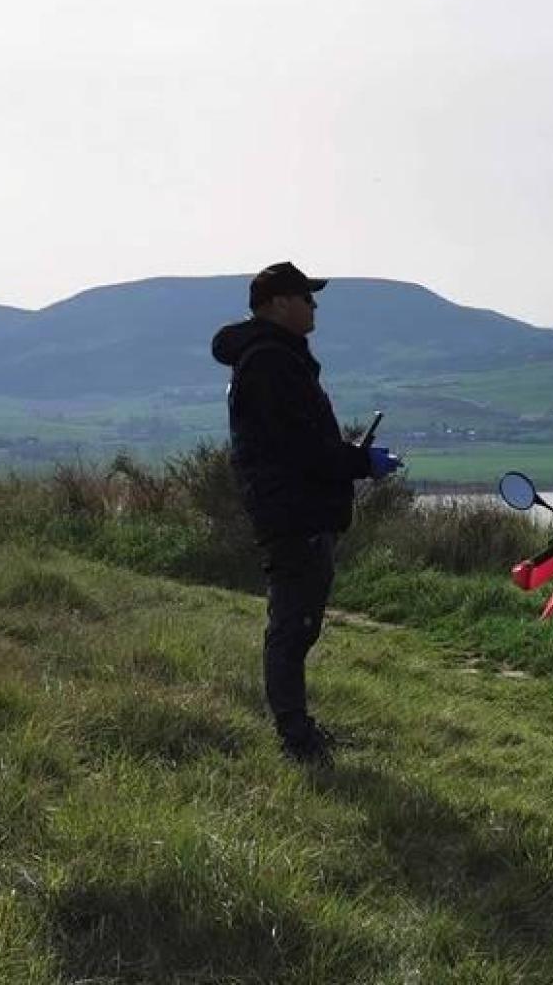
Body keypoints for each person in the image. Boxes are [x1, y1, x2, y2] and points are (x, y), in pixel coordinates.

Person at [211, 261, 402, 766]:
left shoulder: (273, 357)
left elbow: (302, 443)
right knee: (292, 626)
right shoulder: (270, 363)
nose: (314, 306)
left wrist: (349, 459)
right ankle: (296, 740)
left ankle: (298, 730)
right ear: (277, 303)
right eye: (306, 298)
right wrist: (361, 461)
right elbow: (300, 449)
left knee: (298, 624)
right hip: (291, 514)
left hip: (296, 509)